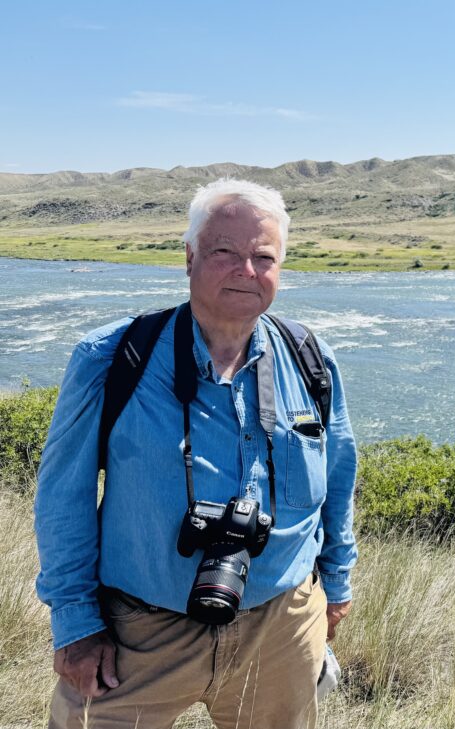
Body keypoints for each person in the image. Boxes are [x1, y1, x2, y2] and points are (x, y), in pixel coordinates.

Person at [34, 178, 358, 728]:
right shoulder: (112, 358)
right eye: (225, 252)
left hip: (280, 627)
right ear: (188, 258)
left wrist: (337, 583)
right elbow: (62, 497)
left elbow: (338, 476)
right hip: (138, 636)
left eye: (263, 256)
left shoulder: (310, 360)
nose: (246, 270)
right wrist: (75, 624)